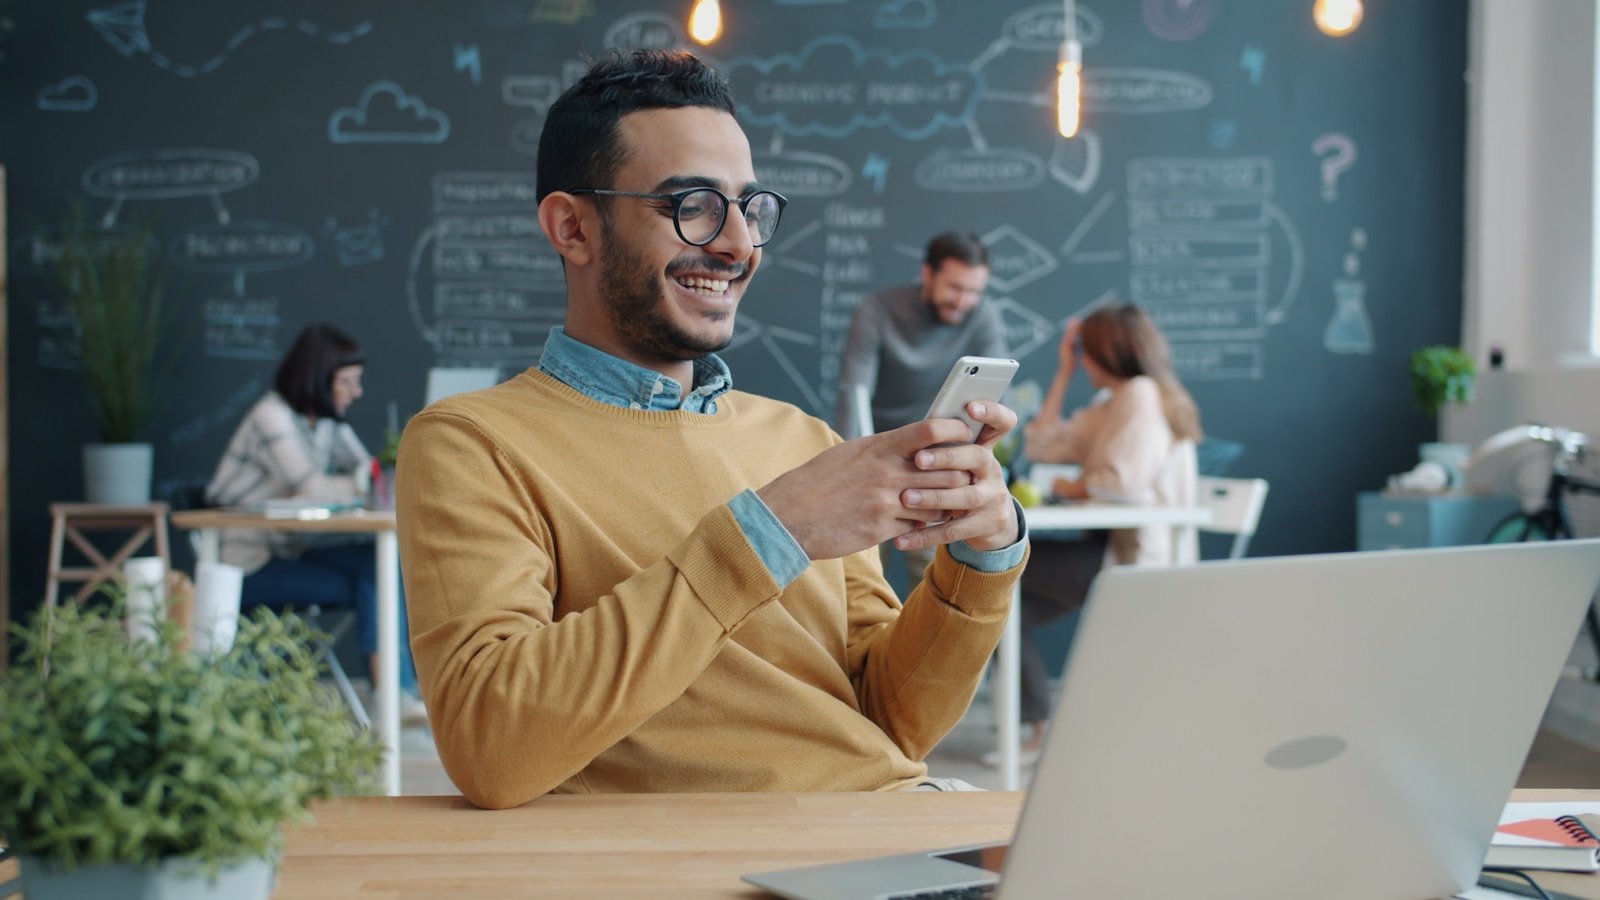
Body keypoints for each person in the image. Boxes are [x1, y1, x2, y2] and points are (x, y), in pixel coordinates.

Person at [395, 49, 1028, 809]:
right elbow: (491, 743)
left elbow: (891, 719)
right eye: (691, 205)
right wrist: (772, 530)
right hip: (706, 862)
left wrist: (981, 560)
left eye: (749, 207)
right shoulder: (472, 443)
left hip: (885, 826)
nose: (737, 245)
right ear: (572, 228)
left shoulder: (802, 440)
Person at [1009, 301, 1202, 761]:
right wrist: (1062, 374)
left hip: (1137, 560)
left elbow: (1122, 483)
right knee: (1004, 604)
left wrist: (1071, 485)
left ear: (1105, 352)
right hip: (1110, 551)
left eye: (1085, 354)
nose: (1084, 362)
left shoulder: (1139, 393)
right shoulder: (1115, 401)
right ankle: (1042, 727)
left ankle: (1041, 726)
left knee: (1000, 576)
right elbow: (1041, 443)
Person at [206, 323, 422, 721]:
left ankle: (395, 694)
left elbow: (363, 469)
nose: (356, 393)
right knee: (375, 574)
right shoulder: (271, 415)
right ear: (319, 379)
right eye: (347, 382)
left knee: (379, 564)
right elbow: (311, 483)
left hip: (292, 550)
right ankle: (392, 697)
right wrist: (369, 480)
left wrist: (376, 474)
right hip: (246, 566)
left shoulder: (325, 423)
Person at [834, 232, 1008, 587]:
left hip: (941, 462)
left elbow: (994, 395)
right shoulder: (877, 311)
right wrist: (853, 469)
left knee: (934, 575)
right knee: (860, 574)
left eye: (974, 291)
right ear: (927, 275)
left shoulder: (983, 315)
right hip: (880, 455)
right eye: (954, 287)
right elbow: (854, 394)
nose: (964, 301)